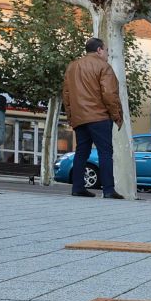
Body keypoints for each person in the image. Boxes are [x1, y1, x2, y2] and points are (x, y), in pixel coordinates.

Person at [62, 37, 125, 199]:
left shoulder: (72, 67)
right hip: (99, 116)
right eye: (106, 51)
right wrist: (116, 115)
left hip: (79, 118)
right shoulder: (104, 67)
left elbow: (67, 95)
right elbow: (109, 94)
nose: (107, 55)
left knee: (81, 152)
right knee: (105, 152)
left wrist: (71, 116)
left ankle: (77, 187)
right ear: (99, 50)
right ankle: (109, 190)